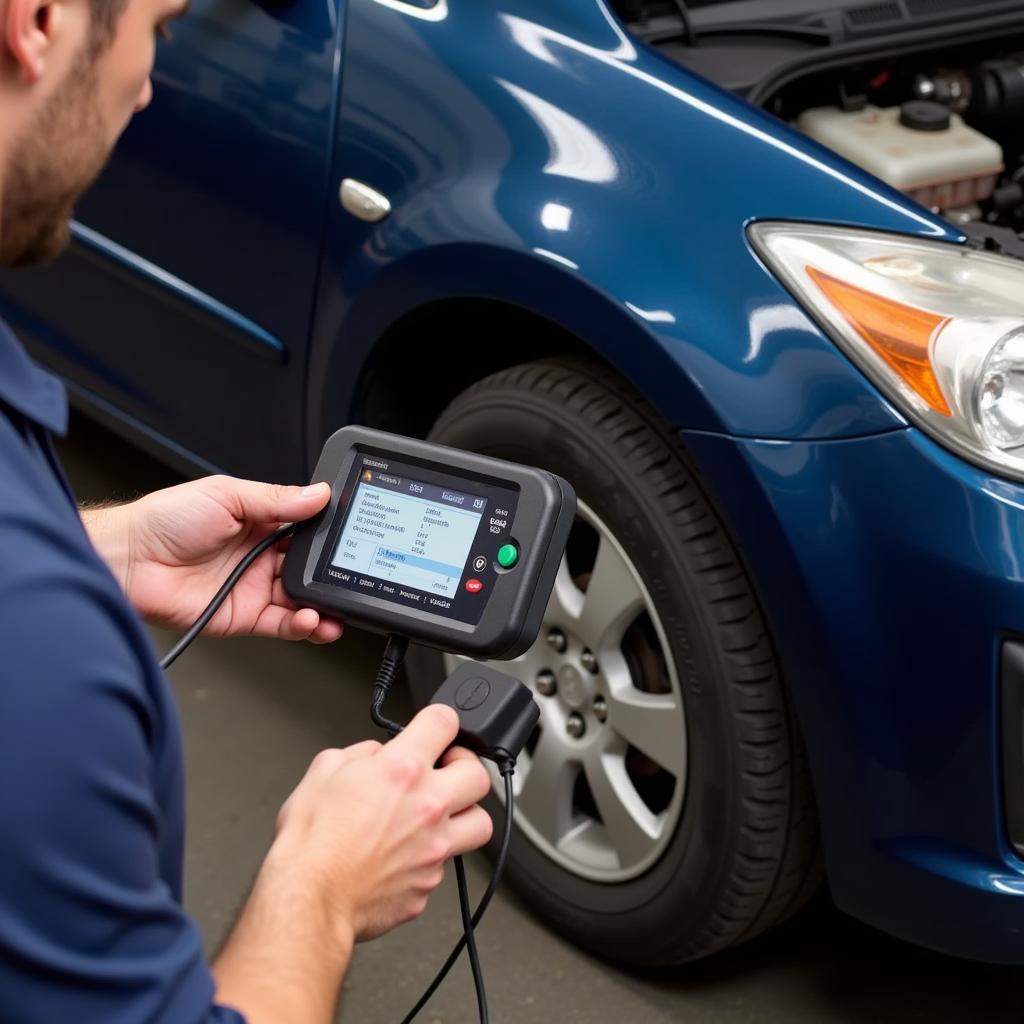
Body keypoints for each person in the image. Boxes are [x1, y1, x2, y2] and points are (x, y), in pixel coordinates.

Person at [0, 0, 494, 1018]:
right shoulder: (36, 653)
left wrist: (99, 551)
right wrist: (320, 887)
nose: (145, 84)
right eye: (159, 27)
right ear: (36, 22)